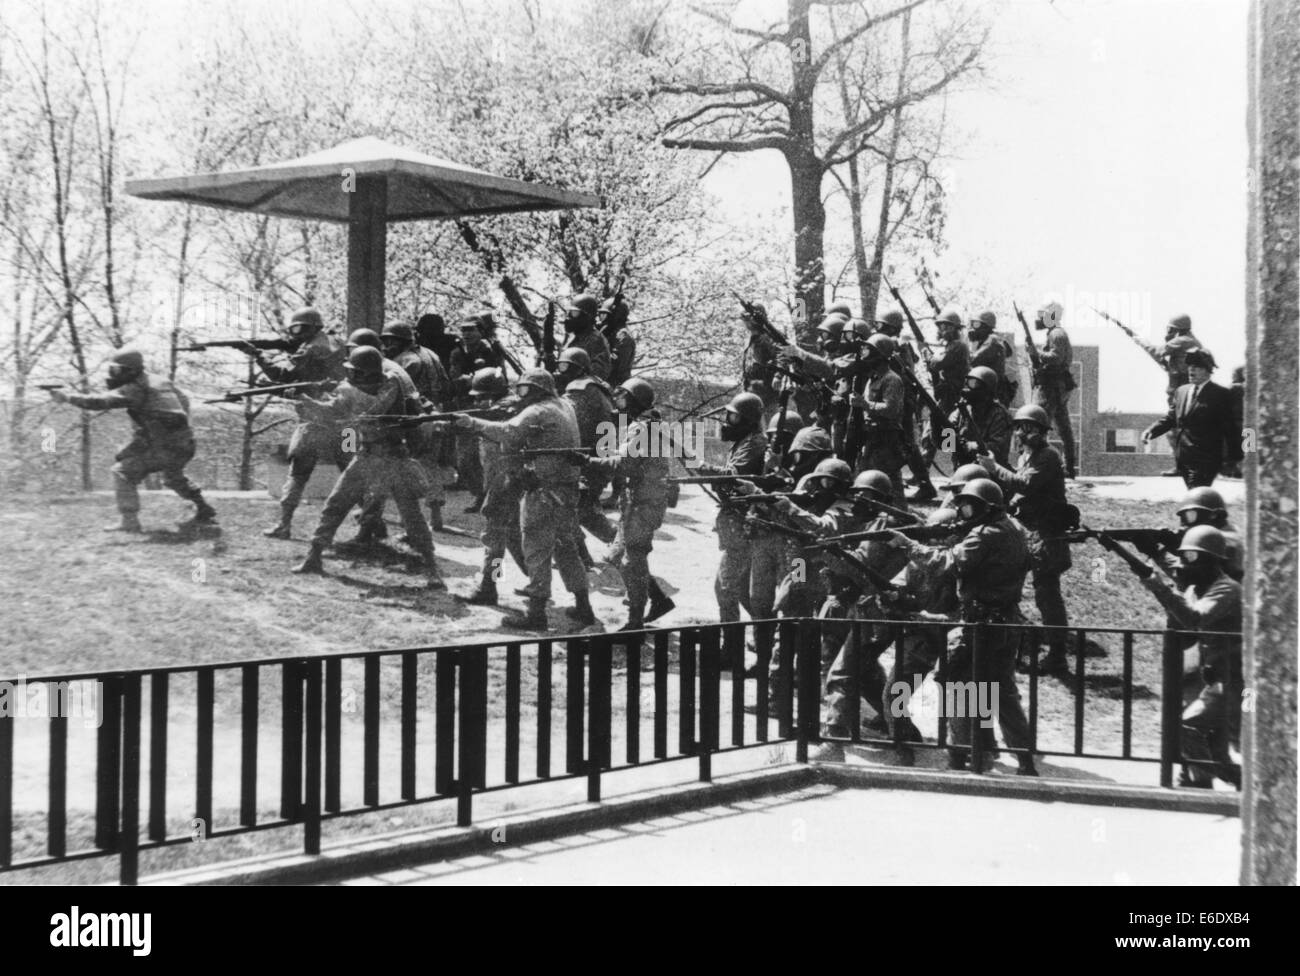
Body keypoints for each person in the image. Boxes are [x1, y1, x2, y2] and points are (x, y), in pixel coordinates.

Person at [886, 478, 1037, 775]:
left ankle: (962, 757)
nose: (964, 512)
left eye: (968, 507)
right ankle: (1023, 760)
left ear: (984, 507)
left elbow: (950, 562)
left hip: (980, 623)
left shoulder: (986, 534)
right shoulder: (1015, 529)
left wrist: (910, 546)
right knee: (1001, 691)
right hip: (1007, 619)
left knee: (958, 685)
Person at [292, 346, 444, 588]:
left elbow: (373, 409)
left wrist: (343, 391)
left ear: (363, 372)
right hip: (366, 455)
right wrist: (308, 402)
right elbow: (336, 414)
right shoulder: (353, 388)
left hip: (395, 458)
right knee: (335, 504)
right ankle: (314, 556)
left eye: (354, 372)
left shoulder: (391, 383)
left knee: (412, 516)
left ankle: (432, 570)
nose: (350, 376)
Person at [453, 369, 593, 629]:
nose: (480, 404)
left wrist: (472, 423)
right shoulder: (561, 405)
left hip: (526, 485)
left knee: (518, 542)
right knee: (563, 546)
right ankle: (582, 605)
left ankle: (529, 608)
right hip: (557, 486)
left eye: (524, 390)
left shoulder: (534, 411)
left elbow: (508, 431)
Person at [49, 348, 217, 533]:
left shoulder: (136, 387)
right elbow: (184, 401)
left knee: (122, 472)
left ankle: (129, 521)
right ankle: (203, 511)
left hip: (165, 446)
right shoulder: (159, 381)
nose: (114, 375)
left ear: (131, 370)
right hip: (184, 443)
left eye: (117, 370)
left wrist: (67, 397)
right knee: (172, 476)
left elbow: (101, 402)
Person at [1134, 526, 1242, 788]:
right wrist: (1154, 553)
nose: (1182, 566)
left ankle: (1203, 784)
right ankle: (1230, 781)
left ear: (1211, 562)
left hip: (1234, 679)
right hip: (1216, 677)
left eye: (1190, 559)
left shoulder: (1226, 589)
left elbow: (1195, 618)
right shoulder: (1201, 586)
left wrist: (1154, 582)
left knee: (1188, 726)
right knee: (1217, 753)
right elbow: (1177, 571)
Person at [978, 404, 1073, 676]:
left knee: (1047, 595)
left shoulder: (1048, 456)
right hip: (1028, 530)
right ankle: (1015, 642)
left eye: (1028, 428)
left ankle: (1057, 655)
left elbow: (1025, 485)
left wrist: (994, 467)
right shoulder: (1026, 455)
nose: (1022, 433)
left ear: (1042, 431)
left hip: (1046, 534)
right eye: (1019, 427)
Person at [584, 377, 676, 630]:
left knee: (631, 560)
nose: (618, 403)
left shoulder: (642, 428)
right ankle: (657, 600)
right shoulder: (645, 425)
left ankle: (635, 622)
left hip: (643, 503)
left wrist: (587, 461)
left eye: (622, 398)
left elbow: (623, 463)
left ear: (634, 400)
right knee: (616, 555)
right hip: (639, 501)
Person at [255, 307, 348, 539]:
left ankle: (284, 524)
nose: (295, 333)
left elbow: (282, 374)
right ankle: (371, 525)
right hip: (346, 423)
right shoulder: (336, 342)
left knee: (298, 473)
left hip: (313, 421)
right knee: (355, 469)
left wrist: (257, 355)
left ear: (313, 328)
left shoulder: (311, 348)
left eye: (299, 328)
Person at [693, 392, 769, 624]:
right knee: (745, 592)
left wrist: (699, 465)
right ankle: (768, 637)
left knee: (726, 588)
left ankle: (733, 652)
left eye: (734, 418)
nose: (728, 422)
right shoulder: (745, 441)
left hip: (747, 527)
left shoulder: (755, 442)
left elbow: (733, 476)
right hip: (742, 524)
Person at [459, 370, 526, 606]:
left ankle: (489, 586)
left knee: (494, 535)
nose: (477, 402)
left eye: (481, 397)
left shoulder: (507, 408)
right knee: (512, 535)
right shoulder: (502, 408)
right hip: (505, 480)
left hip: (506, 481)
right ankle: (536, 580)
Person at [380, 320, 453, 531]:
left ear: (401, 341)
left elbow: (398, 391)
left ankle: (406, 517)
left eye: (390, 341)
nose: (386, 346)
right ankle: (436, 515)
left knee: (403, 462)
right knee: (431, 465)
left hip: (415, 417)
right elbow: (446, 385)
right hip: (436, 413)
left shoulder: (404, 361)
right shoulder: (433, 355)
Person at [1142, 349, 1241, 488]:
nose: (1191, 370)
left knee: (1197, 495)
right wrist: (1151, 430)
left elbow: (1230, 428)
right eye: (1190, 366)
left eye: (1197, 367)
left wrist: (1235, 458)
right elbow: (1171, 418)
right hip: (1184, 458)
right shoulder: (1181, 391)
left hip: (1207, 459)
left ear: (1208, 370)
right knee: (1196, 497)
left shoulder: (1221, 394)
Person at [555, 347, 618, 565]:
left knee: (575, 507)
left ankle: (618, 544)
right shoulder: (598, 386)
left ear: (577, 368)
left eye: (564, 367)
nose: (560, 371)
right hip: (600, 456)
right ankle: (588, 554)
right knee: (580, 508)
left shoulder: (579, 389)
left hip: (589, 459)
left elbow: (566, 419)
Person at [876, 309, 938, 501]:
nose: (876, 328)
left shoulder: (897, 346)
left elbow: (934, 365)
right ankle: (918, 480)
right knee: (908, 442)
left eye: (880, 326)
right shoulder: (900, 346)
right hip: (909, 399)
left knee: (927, 440)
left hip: (937, 401)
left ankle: (930, 480)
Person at [1031, 302, 1078, 479]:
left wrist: (1037, 354)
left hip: (1051, 386)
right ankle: (1069, 467)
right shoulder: (1055, 333)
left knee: (1039, 422)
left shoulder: (1056, 334)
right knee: (1063, 428)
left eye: (1043, 315)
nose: (1039, 319)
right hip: (1056, 386)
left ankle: (1041, 464)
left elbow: (1056, 358)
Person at [922, 306, 970, 472]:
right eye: (941, 326)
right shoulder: (947, 346)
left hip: (954, 398)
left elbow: (938, 363)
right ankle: (922, 474)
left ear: (956, 329)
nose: (943, 330)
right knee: (930, 435)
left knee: (951, 435)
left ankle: (957, 470)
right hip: (945, 396)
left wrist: (929, 359)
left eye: (947, 327)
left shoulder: (958, 346)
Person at [952, 365, 1013, 467]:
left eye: (973, 383)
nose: (967, 388)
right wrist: (935, 422)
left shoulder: (999, 414)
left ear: (986, 389)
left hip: (990, 474)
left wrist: (968, 446)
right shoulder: (962, 410)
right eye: (967, 383)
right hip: (962, 471)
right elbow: (945, 444)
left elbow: (996, 449)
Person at [561, 294, 612, 382]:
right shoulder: (575, 338)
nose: (568, 317)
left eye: (574, 313)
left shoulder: (595, 340)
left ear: (587, 316)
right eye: (569, 312)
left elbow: (597, 376)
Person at [599, 294, 637, 387]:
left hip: (616, 385)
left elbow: (615, 365)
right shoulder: (606, 332)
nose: (601, 318)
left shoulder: (623, 337)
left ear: (615, 315)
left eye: (605, 315)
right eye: (601, 314)